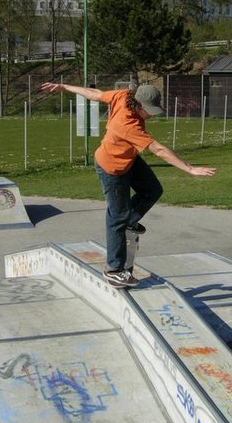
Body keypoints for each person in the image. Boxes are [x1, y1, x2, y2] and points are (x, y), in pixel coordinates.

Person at [41, 81, 216, 287]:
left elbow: (95, 94)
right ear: (138, 105)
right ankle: (113, 269)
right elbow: (158, 150)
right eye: (148, 112)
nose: (151, 115)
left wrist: (65, 87)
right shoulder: (127, 124)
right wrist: (189, 168)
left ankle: (128, 222)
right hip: (112, 168)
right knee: (117, 218)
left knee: (152, 190)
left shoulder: (123, 95)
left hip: (128, 159)